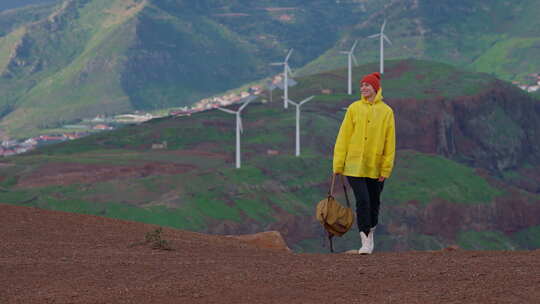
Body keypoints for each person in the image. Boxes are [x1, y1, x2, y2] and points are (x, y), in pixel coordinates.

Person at [333, 72, 396, 254]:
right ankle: (365, 240)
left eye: (367, 85)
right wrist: (338, 164)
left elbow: (389, 142)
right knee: (363, 201)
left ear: (376, 88)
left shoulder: (387, 112)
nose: (363, 88)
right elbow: (343, 137)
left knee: (374, 202)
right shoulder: (354, 108)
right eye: (361, 85)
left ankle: (371, 232)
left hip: (376, 166)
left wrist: (386, 168)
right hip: (354, 165)